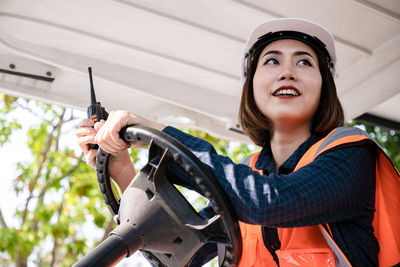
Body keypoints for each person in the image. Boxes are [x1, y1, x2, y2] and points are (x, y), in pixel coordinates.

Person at [76, 18, 400, 267]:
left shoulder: (352, 156)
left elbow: (270, 203)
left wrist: (161, 134)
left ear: (323, 87)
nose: (287, 72)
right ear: (252, 89)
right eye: (271, 61)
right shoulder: (245, 175)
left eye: (304, 62)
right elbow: (177, 250)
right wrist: (122, 172)